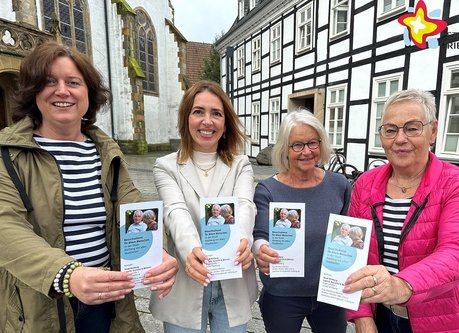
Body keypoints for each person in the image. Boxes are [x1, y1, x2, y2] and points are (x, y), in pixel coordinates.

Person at [0, 41, 178, 333]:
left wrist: (158, 252)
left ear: (88, 93)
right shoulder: (8, 152)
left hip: (103, 301)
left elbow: (136, 210)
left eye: (73, 82)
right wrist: (69, 275)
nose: (62, 90)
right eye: (49, 82)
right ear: (33, 92)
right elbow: (6, 228)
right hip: (35, 305)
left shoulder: (107, 152)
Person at [342, 89, 459, 333]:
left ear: (433, 131)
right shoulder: (365, 184)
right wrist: (361, 317)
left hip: (440, 318)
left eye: (412, 128)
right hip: (381, 315)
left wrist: (402, 285)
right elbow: (350, 253)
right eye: (391, 130)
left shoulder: (457, 182)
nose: (400, 139)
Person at [150, 80, 258, 332]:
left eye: (216, 114)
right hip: (186, 281)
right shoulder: (166, 166)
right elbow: (175, 211)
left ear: (225, 123)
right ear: (186, 118)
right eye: (198, 111)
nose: (207, 121)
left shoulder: (241, 164)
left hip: (232, 279)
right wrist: (192, 253)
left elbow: (245, 205)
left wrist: (242, 240)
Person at [253, 109, 352, 333]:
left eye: (312, 143)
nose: (306, 151)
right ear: (285, 150)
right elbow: (260, 235)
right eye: (297, 145)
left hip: (330, 292)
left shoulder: (340, 185)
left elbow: (350, 233)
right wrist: (261, 250)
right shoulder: (268, 189)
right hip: (282, 294)